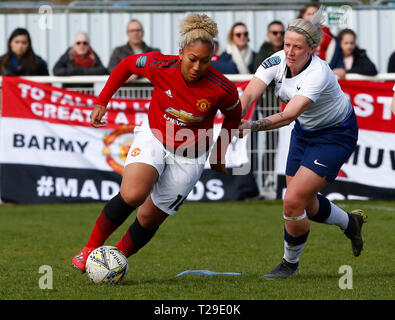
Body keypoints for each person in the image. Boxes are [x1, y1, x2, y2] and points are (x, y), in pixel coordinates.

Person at [72, 13, 242, 272]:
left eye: (205, 61)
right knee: (133, 194)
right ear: (181, 53)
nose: (197, 67)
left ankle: (111, 263)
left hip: (190, 155)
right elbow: (127, 65)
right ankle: (88, 250)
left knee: (149, 217)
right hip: (155, 137)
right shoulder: (160, 65)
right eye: (192, 59)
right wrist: (101, 101)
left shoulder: (222, 88)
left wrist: (219, 153)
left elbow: (233, 115)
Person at [238, 9, 367, 279]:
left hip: (335, 134)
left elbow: (288, 115)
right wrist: (233, 117)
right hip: (305, 131)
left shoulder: (318, 73)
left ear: (312, 48)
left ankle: (289, 265)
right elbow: (250, 92)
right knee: (304, 204)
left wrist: (249, 126)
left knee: (292, 201)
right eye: (287, 44)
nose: (290, 51)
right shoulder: (276, 59)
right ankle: (350, 222)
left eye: (297, 47)